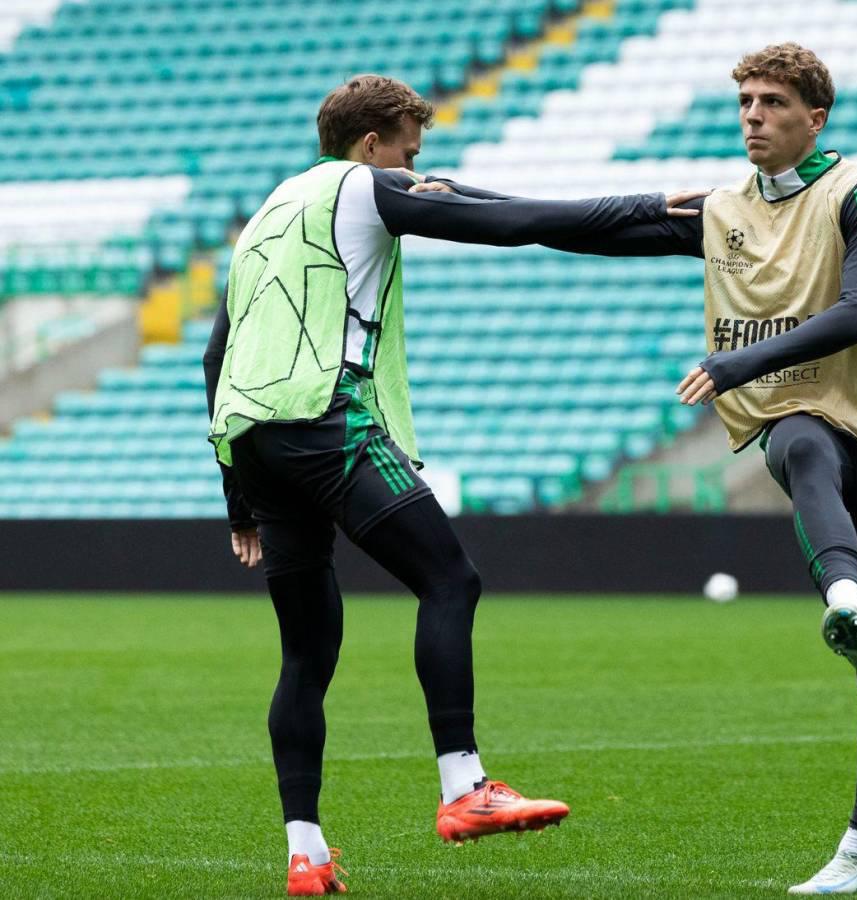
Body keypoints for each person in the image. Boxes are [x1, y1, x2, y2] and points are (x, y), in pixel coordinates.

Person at [202, 73, 702, 896]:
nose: (414, 169)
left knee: (306, 655)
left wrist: (238, 500)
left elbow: (215, 357)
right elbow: (513, 222)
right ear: (371, 146)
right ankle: (464, 786)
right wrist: (651, 209)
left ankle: (306, 852)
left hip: (255, 442)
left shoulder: (264, 219)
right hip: (325, 418)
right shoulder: (366, 188)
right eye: (408, 153)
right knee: (449, 578)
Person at [484, 42, 857, 896]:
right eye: (745, 103)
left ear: (816, 117)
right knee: (795, 440)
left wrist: (738, 364)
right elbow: (590, 222)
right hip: (804, 411)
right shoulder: (729, 208)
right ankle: (842, 596)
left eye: (773, 103)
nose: (754, 118)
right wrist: (456, 201)